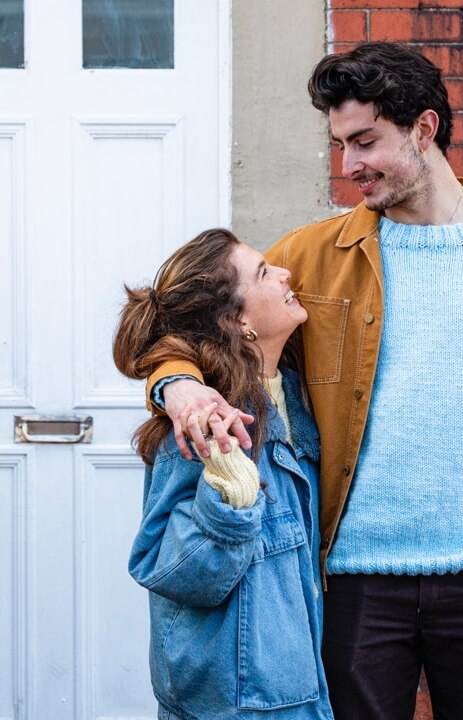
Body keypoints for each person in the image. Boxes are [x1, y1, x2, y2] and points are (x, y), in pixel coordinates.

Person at [148, 43, 463, 719]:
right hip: (353, 588)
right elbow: (185, 330)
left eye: (365, 142)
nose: (349, 167)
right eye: (340, 144)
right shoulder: (310, 259)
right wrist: (178, 386)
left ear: (424, 129)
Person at [115, 228, 333, 720]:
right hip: (234, 700)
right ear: (238, 321)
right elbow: (171, 568)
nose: (285, 273)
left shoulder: (297, 397)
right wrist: (232, 500)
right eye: (263, 273)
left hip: (298, 686)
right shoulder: (201, 426)